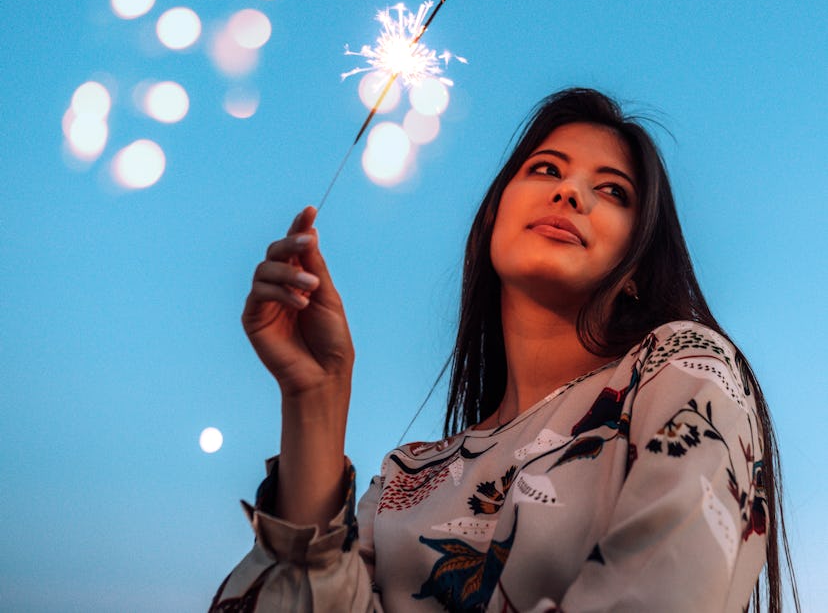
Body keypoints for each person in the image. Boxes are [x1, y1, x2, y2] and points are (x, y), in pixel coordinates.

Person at [211, 88, 796, 612]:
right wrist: (316, 397)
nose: (570, 193)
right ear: (495, 216)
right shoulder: (406, 477)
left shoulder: (683, 368)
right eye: (546, 169)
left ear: (637, 266)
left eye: (612, 190)